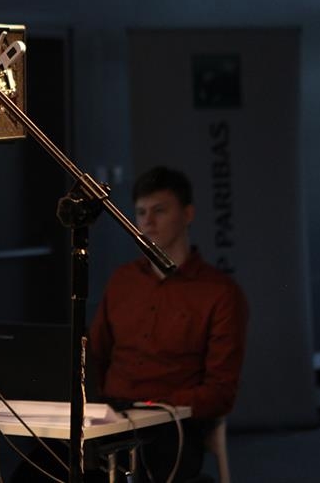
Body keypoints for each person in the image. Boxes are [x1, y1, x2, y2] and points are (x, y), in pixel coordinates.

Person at [88, 166, 248, 482]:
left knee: (141, 469)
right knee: (39, 469)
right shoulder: (123, 280)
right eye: (141, 212)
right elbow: (94, 356)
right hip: (113, 415)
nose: (148, 221)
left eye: (159, 210)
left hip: (171, 424)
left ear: (187, 214)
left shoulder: (219, 293)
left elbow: (220, 391)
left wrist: (160, 407)